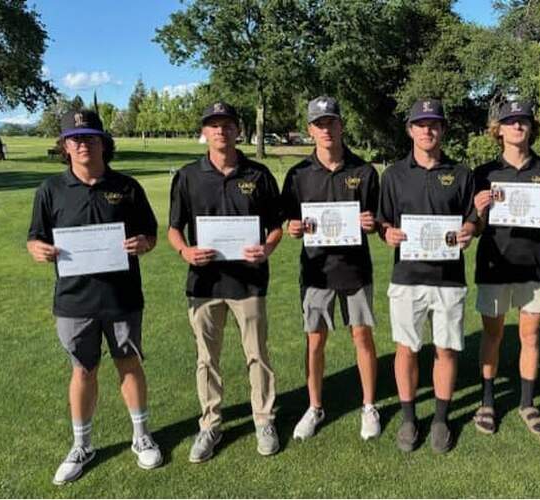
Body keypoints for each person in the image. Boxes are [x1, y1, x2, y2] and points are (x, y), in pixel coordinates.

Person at [27, 110, 162, 485]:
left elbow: (150, 235)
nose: (82, 143)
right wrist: (38, 249)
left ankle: (141, 436)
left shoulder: (127, 186)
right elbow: (35, 237)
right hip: (74, 299)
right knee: (83, 369)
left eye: (89, 137)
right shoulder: (50, 190)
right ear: (65, 147)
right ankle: (82, 445)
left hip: (122, 296)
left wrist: (143, 244)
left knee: (129, 363)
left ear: (103, 142)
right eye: (74, 138)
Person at [168, 101, 283, 459]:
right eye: (213, 125)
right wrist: (185, 252)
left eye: (227, 124)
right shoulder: (187, 175)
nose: (220, 131)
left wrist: (266, 248)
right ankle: (210, 425)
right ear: (204, 131)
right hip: (204, 285)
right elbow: (173, 229)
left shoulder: (258, 174)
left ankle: (263, 419)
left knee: (258, 355)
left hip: (248, 283)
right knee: (207, 359)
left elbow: (276, 227)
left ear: (237, 130)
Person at [377, 98, 476, 453]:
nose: (427, 130)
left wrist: (468, 230)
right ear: (410, 130)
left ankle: (440, 418)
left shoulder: (462, 173)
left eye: (434, 123)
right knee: (406, 349)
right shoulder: (393, 174)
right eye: (420, 124)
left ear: (443, 129)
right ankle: (408, 418)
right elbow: (383, 220)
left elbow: (472, 219)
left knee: (446, 350)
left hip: (449, 278)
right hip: (407, 277)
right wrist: (386, 232)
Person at [281, 96, 381, 441]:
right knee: (315, 341)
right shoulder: (298, 174)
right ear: (310, 129)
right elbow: (290, 220)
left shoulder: (364, 171)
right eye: (319, 124)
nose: (326, 129)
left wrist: (371, 224)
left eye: (331, 122)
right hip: (316, 272)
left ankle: (369, 406)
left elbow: (377, 220)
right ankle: (315, 407)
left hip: (355, 270)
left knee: (362, 337)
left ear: (341, 125)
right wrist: (292, 227)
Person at [471, 101, 540, 435]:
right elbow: (476, 228)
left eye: (523, 120)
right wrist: (479, 212)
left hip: (534, 265)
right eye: (510, 121)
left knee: (530, 335)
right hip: (495, 264)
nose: (517, 126)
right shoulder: (483, 173)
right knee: (493, 335)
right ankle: (487, 401)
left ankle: (527, 402)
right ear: (498, 129)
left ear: (531, 127)